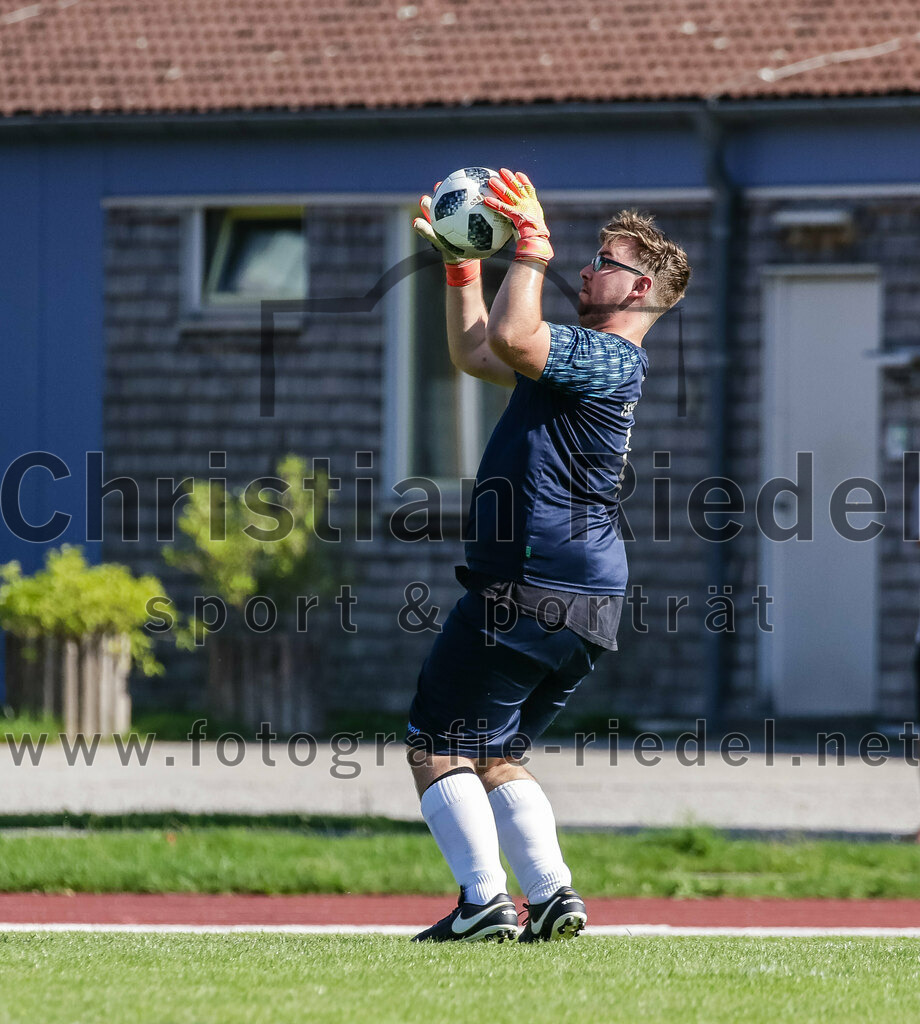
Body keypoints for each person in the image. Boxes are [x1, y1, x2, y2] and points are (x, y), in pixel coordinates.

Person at [405, 169, 691, 942]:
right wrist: (463, 268)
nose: (588, 267)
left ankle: (481, 903)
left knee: (437, 745)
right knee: (495, 753)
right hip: (581, 595)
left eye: (606, 260)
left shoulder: (609, 358)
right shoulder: (578, 359)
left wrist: (529, 248)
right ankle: (554, 894)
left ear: (639, 292)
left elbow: (512, 336)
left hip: (535, 582)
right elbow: (477, 350)